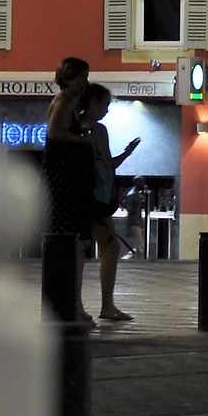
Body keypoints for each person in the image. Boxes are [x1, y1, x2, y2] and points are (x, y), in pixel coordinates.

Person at [41, 58, 98, 325]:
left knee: (74, 244)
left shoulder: (70, 103)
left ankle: (74, 303)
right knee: (70, 243)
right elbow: (54, 133)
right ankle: (71, 304)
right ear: (69, 77)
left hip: (67, 180)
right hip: (64, 181)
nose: (85, 82)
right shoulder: (64, 101)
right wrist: (83, 141)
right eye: (82, 77)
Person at [85, 82, 140, 321]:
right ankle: (106, 305)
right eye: (104, 105)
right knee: (108, 246)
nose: (106, 111)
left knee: (106, 247)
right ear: (93, 103)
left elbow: (108, 164)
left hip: (97, 197)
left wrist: (127, 153)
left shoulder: (96, 130)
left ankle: (103, 304)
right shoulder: (90, 131)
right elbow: (106, 165)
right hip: (93, 197)